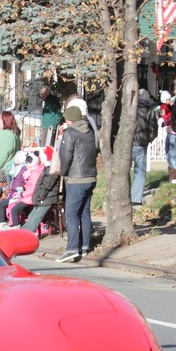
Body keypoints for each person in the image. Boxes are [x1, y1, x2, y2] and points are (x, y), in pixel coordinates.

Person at [56, 105, 98, 263]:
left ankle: (72, 248)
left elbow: (66, 155)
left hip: (76, 178)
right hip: (91, 177)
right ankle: (85, 246)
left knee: (71, 214)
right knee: (84, 213)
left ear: (69, 119)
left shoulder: (70, 132)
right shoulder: (89, 131)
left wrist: (63, 172)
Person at [131, 88, 159, 205]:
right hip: (141, 143)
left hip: (129, 143)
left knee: (124, 170)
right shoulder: (150, 110)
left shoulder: (131, 109)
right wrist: (148, 139)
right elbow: (153, 129)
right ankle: (136, 198)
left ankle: (124, 194)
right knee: (140, 171)